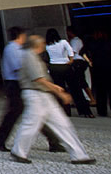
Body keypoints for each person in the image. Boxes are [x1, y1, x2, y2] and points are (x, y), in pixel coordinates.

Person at [10, 35, 95, 165]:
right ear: (37, 45)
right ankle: (18, 151)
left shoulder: (32, 56)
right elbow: (38, 79)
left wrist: (55, 88)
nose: (44, 45)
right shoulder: (29, 56)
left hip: (42, 94)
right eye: (42, 43)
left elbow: (40, 78)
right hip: (36, 95)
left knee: (61, 124)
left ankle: (79, 155)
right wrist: (59, 92)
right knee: (32, 125)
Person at [0, 27, 62, 152]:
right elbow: (19, 67)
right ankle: (0, 139)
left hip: (19, 84)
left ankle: (53, 141)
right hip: (15, 85)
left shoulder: (17, 49)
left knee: (33, 114)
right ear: (20, 35)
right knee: (17, 114)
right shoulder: (12, 49)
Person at [45, 28, 86, 116]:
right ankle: (84, 110)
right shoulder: (63, 42)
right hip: (65, 65)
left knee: (60, 89)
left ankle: (65, 111)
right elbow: (70, 50)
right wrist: (71, 59)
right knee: (75, 88)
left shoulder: (47, 45)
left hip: (54, 67)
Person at [67, 27, 97, 110]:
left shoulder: (75, 41)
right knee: (80, 81)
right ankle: (88, 98)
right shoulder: (77, 40)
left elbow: (73, 53)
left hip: (77, 62)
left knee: (80, 81)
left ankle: (91, 99)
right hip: (80, 62)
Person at [85, 29, 111, 117]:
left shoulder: (92, 44)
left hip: (97, 69)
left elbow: (82, 52)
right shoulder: (108, 43)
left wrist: (89, 61)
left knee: (100, 91)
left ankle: (102, 111)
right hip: (108, 67)